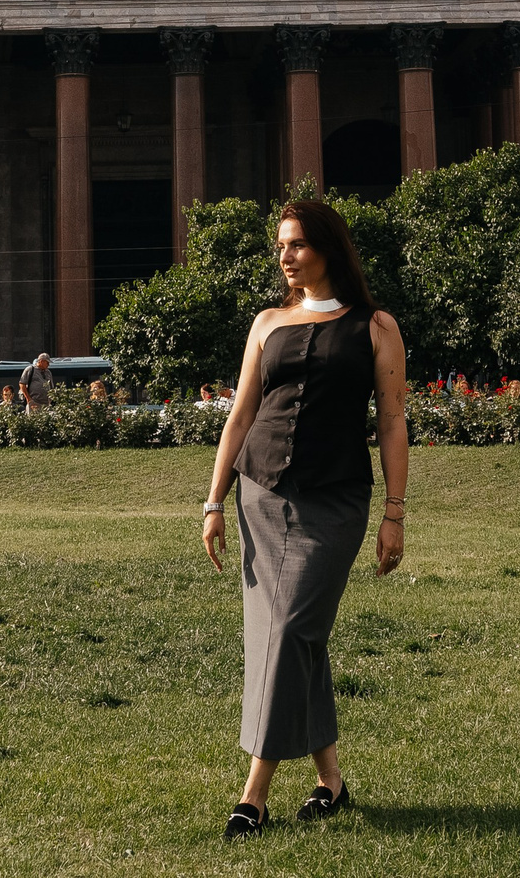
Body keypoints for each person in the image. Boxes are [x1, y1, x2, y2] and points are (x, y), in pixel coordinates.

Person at [201, 199, 409, 838]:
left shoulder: (375, 326)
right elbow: (241, 414)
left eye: (295, 244)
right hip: (261, 493)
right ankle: (332, 784)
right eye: (280, 246)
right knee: (292, 636)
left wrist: (395, 513)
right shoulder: (267, 323)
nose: (284, 256)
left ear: (326, 248)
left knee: (290, 629)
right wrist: (213, 500)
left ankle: (254, 793)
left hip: (336, 500)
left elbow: (393, 421)